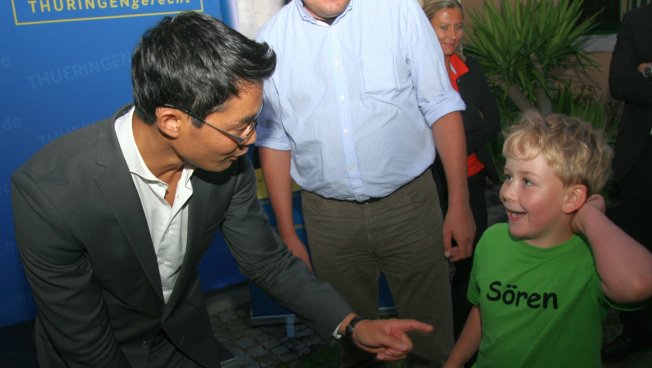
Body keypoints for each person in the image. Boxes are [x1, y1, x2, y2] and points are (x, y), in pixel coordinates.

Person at [11, 11, 434, 368]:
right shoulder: (51, 193)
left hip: (187, 346)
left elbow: (268, 263)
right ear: (172, 121)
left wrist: (353, 324)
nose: (251, 140)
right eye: (240, 127)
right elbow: (82, 336)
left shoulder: (226, 167)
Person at [256, 0, 476, 366]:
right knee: (354, 340)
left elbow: (440, 103)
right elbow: (274, 140)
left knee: (431, 337)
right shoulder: (272, 40)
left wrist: (459, 201)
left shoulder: (399, 11)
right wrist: (288, 234)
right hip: (328, 220)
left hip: (411, 207)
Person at [443, 111, 652, 368]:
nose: (507, 192)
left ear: (572, 198)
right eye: (509, 176)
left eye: (527, 181)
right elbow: (481, 311)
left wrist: (589, 216)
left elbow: (638, 284)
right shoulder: (492, 241)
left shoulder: (591, 257)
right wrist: (453, 363)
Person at [422, 0, 501, 339]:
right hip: (431, 183)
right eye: (444, 27)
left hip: (472, 176)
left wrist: (452, 140)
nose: (453, 35)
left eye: (458, 26)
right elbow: (420, 132)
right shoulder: (416, 71)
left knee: (471, 258)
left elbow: (492, 122)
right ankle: (438, 336)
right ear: (427, 28)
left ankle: (466, 336)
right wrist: (466, 124)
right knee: (436, 262)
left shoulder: (470, 67)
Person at [603, 3, 652, 361]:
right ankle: (638, 330)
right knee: (638, 247)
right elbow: (621, 82)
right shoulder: (638, 18)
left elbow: (637, 82)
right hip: (641, 161)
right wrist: (638, 75)